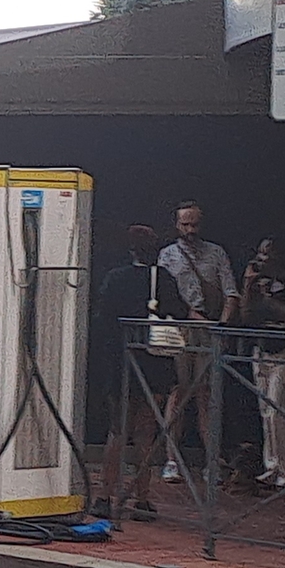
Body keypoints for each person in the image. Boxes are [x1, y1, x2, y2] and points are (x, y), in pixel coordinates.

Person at [154, 200, 239, 486]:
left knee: (207, 396)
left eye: (195, 224)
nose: (190, 230)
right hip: (179, 330)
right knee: (177, 394)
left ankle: (211, 462)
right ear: (177, 226)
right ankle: (171, 460)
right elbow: (165, 295)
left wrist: (221, 326)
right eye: (185, 225)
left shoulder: (216, 253)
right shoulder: (167, 255)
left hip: (209, 331)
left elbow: (230, 292)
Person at [94, 224, 171, 521]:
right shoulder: (163, 279)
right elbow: (176, 310)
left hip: (120, 360)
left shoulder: (115, 278)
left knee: (117, 430)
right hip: (154, 362)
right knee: (146, 432)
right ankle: (143, 497)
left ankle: (104, 497)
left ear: (130, 250)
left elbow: (102, 319)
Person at [239, 237, 285, 493]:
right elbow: (246, 317)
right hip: (263, 350)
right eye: (259, 253)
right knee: (267, 412)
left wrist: (268, 300)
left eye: (267, 254)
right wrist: (248, 288)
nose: (261, 258)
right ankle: (273, 467)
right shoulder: (261, 282)